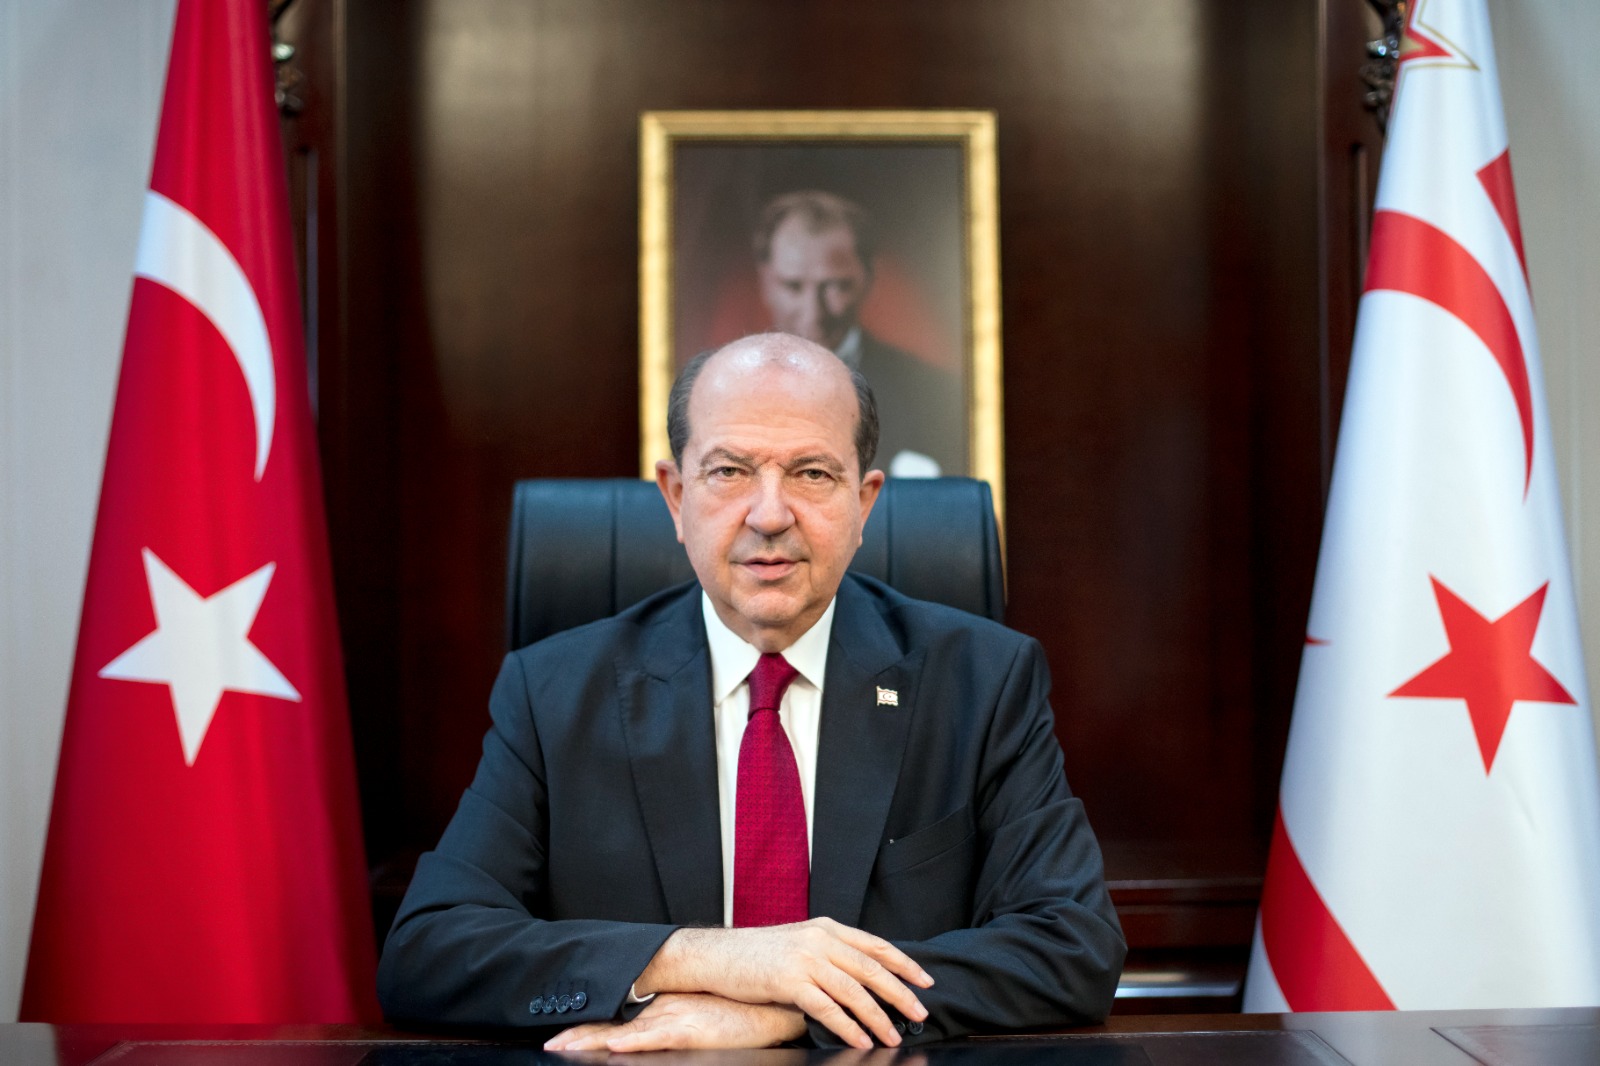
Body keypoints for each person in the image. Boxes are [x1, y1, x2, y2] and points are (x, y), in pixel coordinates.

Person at [377, 333, 1124, 1049]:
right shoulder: (553, 694)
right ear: (676, 496)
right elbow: (430, 950)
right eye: (730, 471)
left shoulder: (982, 682)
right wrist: (709, 960)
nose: (770, 515)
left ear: (864, 503)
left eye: (812, 474)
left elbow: (1073, 945)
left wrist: (793, 1012)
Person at [754, 191, 965, 478]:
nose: (813, 312)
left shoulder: (931, 394)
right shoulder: (717, 392)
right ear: (765, 281)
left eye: (835, 286)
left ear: (868, 278)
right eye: (793, 286)